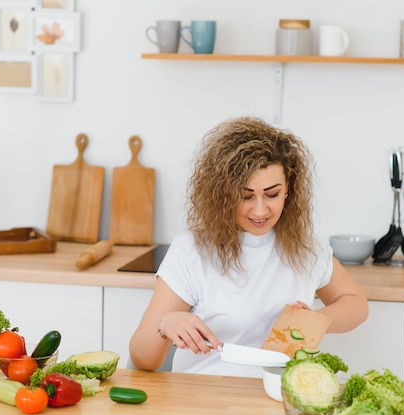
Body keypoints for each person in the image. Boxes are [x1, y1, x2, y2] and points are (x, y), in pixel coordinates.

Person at [129, 116, 368, 377]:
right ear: (222, 193)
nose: (260, 210)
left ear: (289, 188)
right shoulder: (192, 251)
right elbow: (142, 359)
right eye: (245, 196)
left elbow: (356, 303)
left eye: (272, 194)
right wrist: (164, 325)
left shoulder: (304, 249)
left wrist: (315, 320)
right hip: (201, 399)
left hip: (277, 397)